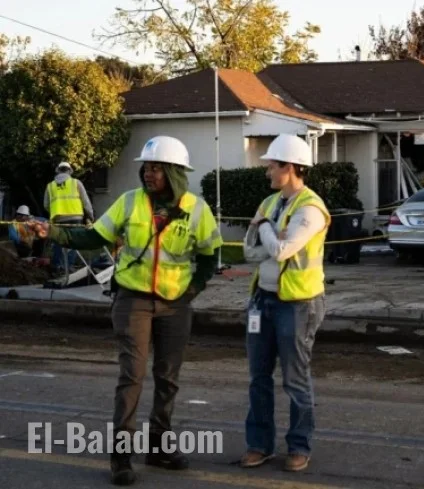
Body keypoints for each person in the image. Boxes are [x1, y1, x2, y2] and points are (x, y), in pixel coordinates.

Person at [30, 136, 223, 486]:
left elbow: (211, 256)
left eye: (155, 168)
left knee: (168, 379)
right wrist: (54, 232)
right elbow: (94, 237)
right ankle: (121, 457)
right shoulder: (129, 202)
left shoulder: (197, 209)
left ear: (174, 173)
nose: (147, 174)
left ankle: (159, 448)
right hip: (132, 301)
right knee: (131, 377)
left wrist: (193, 289)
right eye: (145, 168)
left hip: (175, 305)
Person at [239, 134, 330, 472]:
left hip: (297, 304)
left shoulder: (310, 209)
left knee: (295, 379)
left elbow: (281, 251)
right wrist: (268, 232)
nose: (267, 173)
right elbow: (250, 250)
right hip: (262, 300)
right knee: (258, 377)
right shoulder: (269, 203)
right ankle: (259, 445)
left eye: (272, 166)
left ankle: (299, 446)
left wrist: (264, 229)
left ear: (289, 167)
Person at [44, 161, 95, 274]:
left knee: (59, 243)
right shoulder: (76, 183)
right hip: (75, 217)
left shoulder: (50, 186)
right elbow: (86, 202)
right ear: (69, 171)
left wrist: (54, 212)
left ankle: (58, 266)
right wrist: (91, 216)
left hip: (58, 219)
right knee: (73, 242)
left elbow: (46, 204)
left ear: (58, 170)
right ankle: (69, 266)